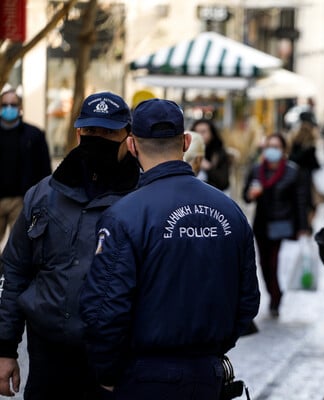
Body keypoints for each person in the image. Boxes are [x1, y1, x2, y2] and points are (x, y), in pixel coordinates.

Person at [79, 99, 260, 399]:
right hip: (206, 373)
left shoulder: (124, 215)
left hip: (144, 376)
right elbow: (248, 300)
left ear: (133, 145)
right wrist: (211, 350)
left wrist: (107, 371)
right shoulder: (230, 211)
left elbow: (104, 308)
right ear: (186, 142)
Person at [0, 91, 140, 399]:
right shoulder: (42, 195)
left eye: (109, 132)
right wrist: (6, 349)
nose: (98, 138)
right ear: (78, 133)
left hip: (118, 359)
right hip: (50, 355)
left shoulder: (143, 200)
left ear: (128, 137)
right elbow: (14, 273)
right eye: (91, 131)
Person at [243, 133, 311, 318]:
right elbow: (245, 197)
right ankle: (275, 293)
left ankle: (275, 297)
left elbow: (300, 201)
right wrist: (251, 195)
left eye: (276, 146)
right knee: (264, 264)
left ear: (283, 149)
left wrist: (303, 227)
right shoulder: (257, 169)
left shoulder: (292, 171)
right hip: (261, 223)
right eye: (268, 146)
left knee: (272, 262)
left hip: (281, 222)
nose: (272, 150)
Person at [0, 88, 52, 247]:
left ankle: (6, 272)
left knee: (17, 246)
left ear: (20, 107)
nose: (9, 108)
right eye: (5, 105)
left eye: (13, 104)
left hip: (21, 200)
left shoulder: (34, 135)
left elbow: (44, 170)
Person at [288, 116, 320, 220]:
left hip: (295, 174)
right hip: (307, 176)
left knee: (298, 198)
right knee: (309, 200)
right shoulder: (310, 147)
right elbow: (315, 163)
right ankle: (307, 222)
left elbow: (291, 157)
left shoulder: (294, 143)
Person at [190, 118, 231, 192]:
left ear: (212, 133)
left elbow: (224, 182)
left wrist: (208, 167)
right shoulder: (187, 152)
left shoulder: (219, 153)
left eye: (203, 132)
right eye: (196, 132)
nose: (199, 135)